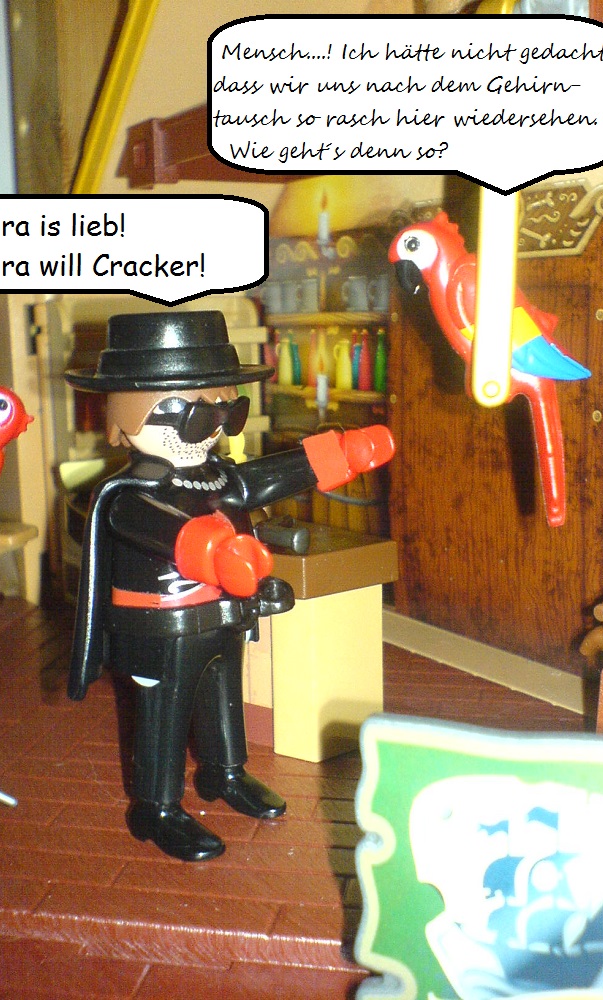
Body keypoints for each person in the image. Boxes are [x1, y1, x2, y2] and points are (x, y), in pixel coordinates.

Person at [65, 310, 393, 861]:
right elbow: (163, 528)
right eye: (198, 418)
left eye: (226, 413)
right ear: (130, 414)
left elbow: (267, 477)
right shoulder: (127, 495)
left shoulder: (216, 475)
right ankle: (156, 807)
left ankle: (224, 772)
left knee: (223, 694)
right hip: (162, 625)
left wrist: (339, 455)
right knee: (164, 712)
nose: (214, 430)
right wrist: (216, 553)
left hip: (222, 615)